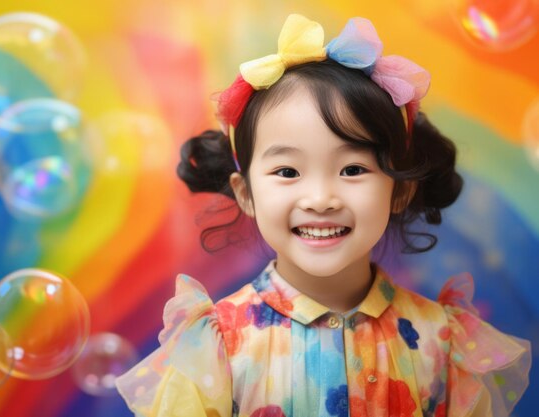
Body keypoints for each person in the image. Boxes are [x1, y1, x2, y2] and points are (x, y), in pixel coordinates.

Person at [116, 14, 531, 417]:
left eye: (352, 169)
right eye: (287, 172)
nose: (319, 198)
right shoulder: (217, 346)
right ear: (246, 194)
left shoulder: (441, 341)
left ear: (400, 189)